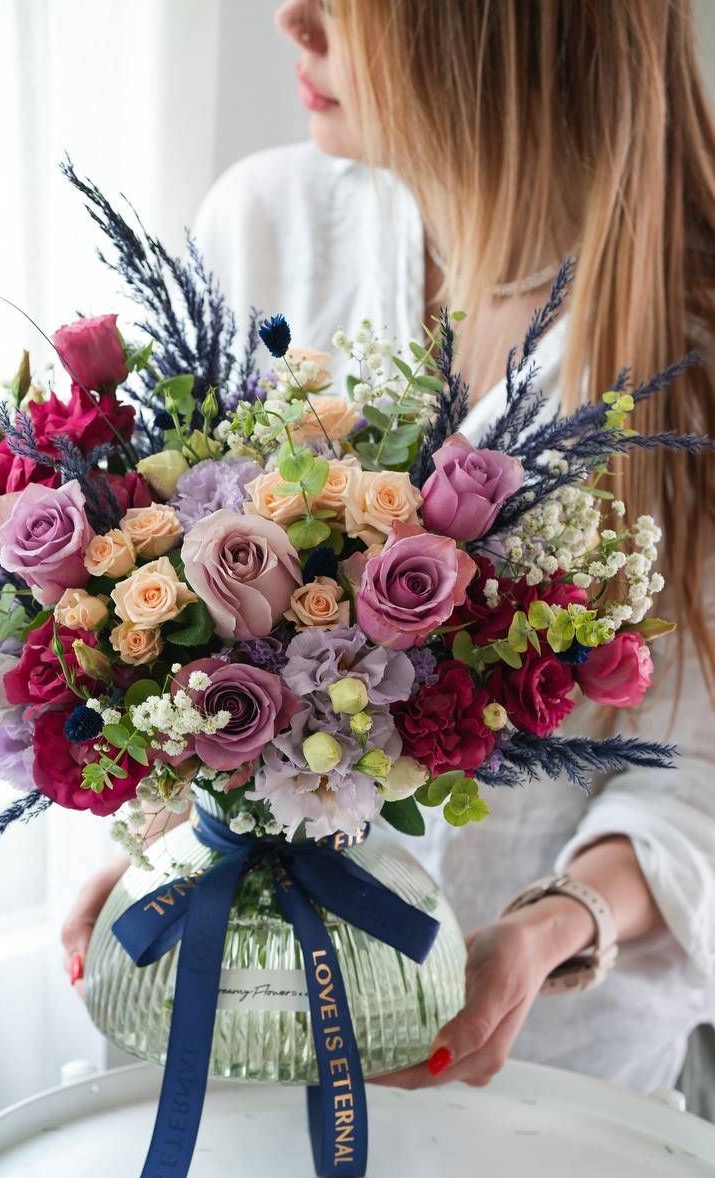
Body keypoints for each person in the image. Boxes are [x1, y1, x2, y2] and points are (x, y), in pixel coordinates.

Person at [64, 0, 715, 1099]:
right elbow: (178, 629)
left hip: (539, 1091)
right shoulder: (267, 225)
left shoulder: (681, 351)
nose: (294, 20)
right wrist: (166, 848)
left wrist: (551, 928)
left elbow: (694, 776)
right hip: (240, 1021)